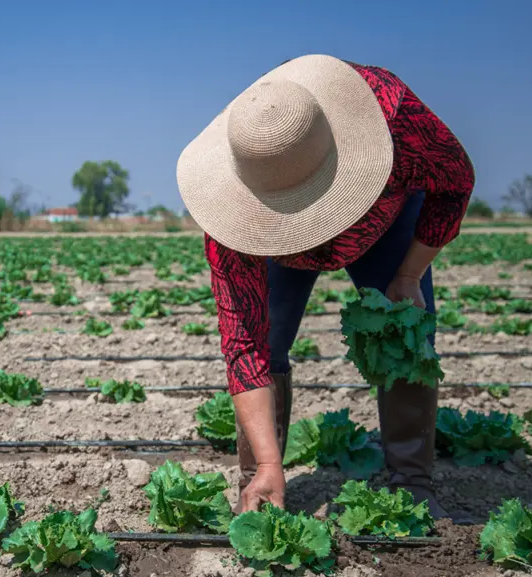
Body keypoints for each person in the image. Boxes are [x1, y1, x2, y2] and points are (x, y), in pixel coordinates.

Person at [175, 55, 475, 517]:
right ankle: (260, 481)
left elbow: (454, 183)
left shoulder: (395, 118)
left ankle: (412, 480)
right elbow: (245, 346)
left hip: (385, 224)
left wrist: (409, 273)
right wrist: (271, 462)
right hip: (274, 249)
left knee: (407, 329)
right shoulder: (232, 226)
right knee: (268, 340)